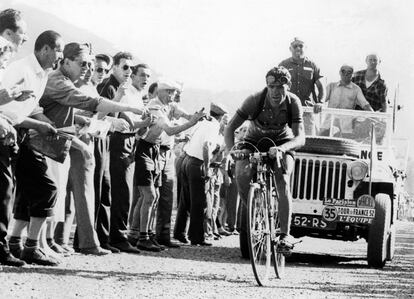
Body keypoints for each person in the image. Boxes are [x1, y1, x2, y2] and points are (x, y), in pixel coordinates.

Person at [39, 42, 145, 256]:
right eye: (85, 64)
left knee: (68, 195)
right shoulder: (59, 81)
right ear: (66, 61)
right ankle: (48, 243)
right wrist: (126, 108)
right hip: (55, 141)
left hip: (70, 141)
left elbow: (80, 114)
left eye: (92, 65)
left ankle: (56, 241)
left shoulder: (73, 81)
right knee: (59, 194)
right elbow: (89, 104)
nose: (89, 70)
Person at [224, 66, 305, 258]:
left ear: (289, 85)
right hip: (253, 142)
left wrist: (283, 149)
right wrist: (232, 152)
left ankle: (284, 235)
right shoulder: (254, 100)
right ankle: (253, 209)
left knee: (283, 176)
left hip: (283, 144)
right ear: (266, 86)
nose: (276, 91)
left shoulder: (294, 102)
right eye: (272, 86)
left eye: (281, 86)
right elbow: (229, 128)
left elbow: (301, 138)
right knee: (241, 173)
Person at [2, 30, 64, 266]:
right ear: (45, 48)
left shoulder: (42, 73)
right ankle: (26, 246)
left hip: (21, 132)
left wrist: (40, 123)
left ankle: (20, 244)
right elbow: (5, 107)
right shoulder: (20, 69)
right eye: (57, 49)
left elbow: (23, 110)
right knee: (26, 188)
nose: (58, 54)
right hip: (7, 131)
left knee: (35, 188)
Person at [132, 78, 205, 251]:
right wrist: (192, 122)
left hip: (155, 149)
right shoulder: (155, 107)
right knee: (149, 196)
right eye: (169, 91)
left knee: (153, 196)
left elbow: (184, 113)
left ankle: (142, 234)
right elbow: (170, 130)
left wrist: (195, 116)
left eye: (174, 92)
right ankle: (141, 236)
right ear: (160, 91)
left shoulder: (167, 106)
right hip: (146, 148)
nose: (173, 95)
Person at [279, 37, 324, 135]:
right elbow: (277, 86)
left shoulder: (313, 65)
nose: (298, 48)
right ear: (290, 49)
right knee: (288, 138)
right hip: (288, 109)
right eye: (295, 46)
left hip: (307, 110)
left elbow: (321, 86)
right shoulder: (283, 65)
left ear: (306, 48)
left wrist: (320, 102)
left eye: (301, 46)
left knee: (309, 140)